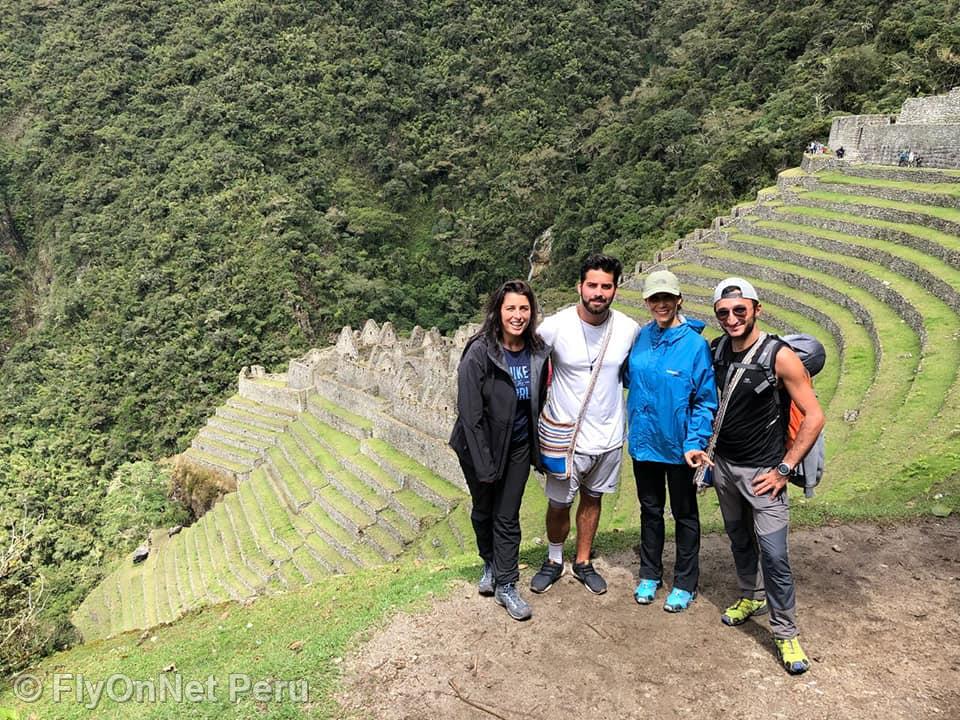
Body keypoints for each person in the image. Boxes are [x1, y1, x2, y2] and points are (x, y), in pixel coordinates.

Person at [709, 277, 825, 675]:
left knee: (774, 554)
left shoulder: (780, 356)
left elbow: (814, 416)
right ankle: (751, 595)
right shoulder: (718, 350)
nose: (732, 318)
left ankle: (785, 631)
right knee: (739, 539)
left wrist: (784, 469)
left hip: (764, 473)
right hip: (724, 468)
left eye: (740, 310)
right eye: (723, 312)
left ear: (757, 309)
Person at [529, 253, 640, 595]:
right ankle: (553, 559)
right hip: (565, 438)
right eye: (592, 285)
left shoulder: (627, 328)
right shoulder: (554, 327)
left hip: (608, 436)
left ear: (615, 290)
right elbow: (529, 368)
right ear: (580, 286)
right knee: (559, 503)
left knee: (593, 499)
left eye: (606, 286)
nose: (598, 292)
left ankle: (582, 561)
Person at [449, 279, 552, 621]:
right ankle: (489, 562)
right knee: (483, 510)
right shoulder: (480, 351)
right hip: (478, 444)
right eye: (511, 308)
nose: (518, 315)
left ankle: (506, 584)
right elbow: (470, 412)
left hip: (519, 445)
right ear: (498, 311)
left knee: (507, 515)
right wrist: (484, 465)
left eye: (524, 308)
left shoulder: (536, 351)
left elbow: (539, 399)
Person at [624, 270, 717, 612]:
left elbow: (705, 400)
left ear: (679, 299)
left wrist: (695, 441)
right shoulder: (642, 338)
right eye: (654, 299)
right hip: (645, 442)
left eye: (667, 298)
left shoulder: (694, 345)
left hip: (681, 448)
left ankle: (684, 582)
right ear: (647, 302)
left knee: (684, 513)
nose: (660, 304)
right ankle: (650, 574)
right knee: (650, 510)